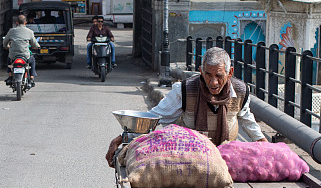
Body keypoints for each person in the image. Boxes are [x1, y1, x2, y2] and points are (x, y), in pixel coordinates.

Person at [105, 47, 267, 167]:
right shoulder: (184, 90)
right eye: (208, 75)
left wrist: (266, 145)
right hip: (190, 158)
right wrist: (120, 139)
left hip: (227, 157)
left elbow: (248, 122)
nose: (213, 82)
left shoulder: (240, 92)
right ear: (201, 71)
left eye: (219, 76)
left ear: (230, 73)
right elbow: (154, 118)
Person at [3, 14, 40, 86]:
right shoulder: (30, 32)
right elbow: (35, 44)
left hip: (13, 56)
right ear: (25, 22)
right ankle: (32, 78)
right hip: (25, 55)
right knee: (32, 61)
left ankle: (10, 76)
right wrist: (37, 46)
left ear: (16, 22)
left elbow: (5, 42)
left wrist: (6, 46)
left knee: (9, 61)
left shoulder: (11, 31)